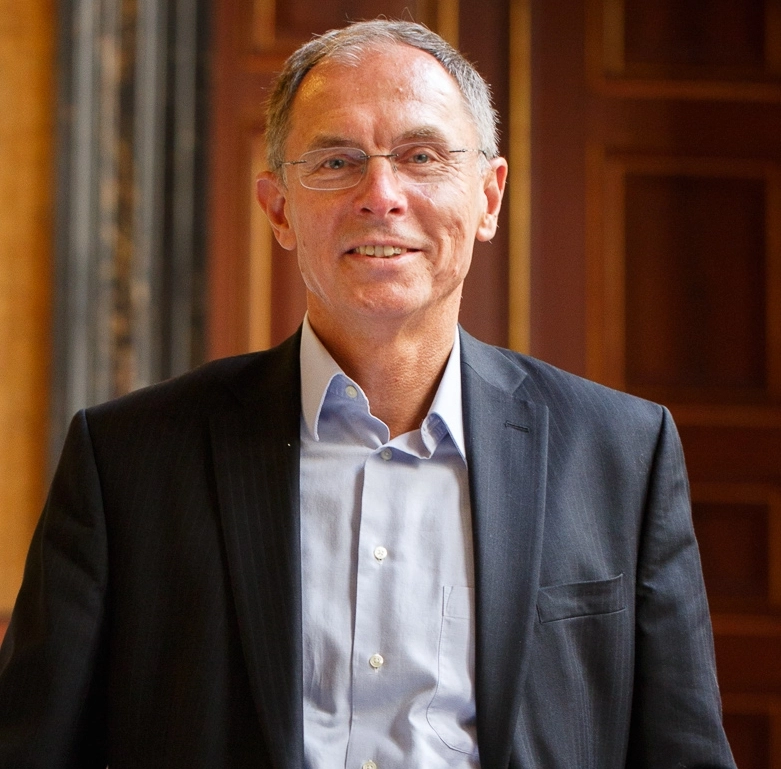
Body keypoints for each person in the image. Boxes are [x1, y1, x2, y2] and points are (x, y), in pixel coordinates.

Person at [0, 18, 735, 769]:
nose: (380, 195)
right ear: (279, 208)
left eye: (422, 156)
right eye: (336, 160)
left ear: (488, 197)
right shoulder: (126, 460)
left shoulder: (622, 455)